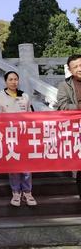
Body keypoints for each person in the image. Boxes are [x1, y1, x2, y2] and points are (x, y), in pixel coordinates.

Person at [0, 71, 37, 207]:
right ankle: (16, 192)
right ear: (5, 81)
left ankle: (27, 192)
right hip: (9, 137)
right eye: (10, 79)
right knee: (13, 165)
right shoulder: (0, 97)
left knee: (27, 166)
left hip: (24, 136)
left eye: (16, 79)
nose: (13, 82)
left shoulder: (24, 96)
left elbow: (31, 115)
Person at [55, 54, 81, 195]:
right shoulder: (64, 85)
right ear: (70, 70)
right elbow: (62, 105)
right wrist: (78, 109)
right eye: (75, 67)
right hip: (77, 131)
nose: (79, 69)